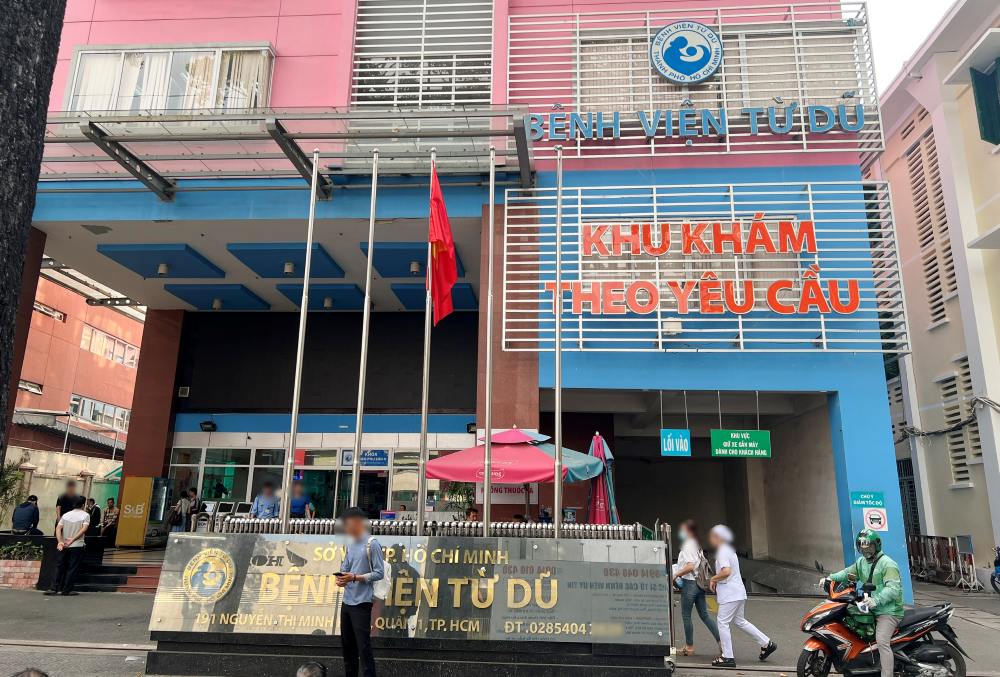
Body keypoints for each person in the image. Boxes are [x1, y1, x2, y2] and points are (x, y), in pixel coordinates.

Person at [825, 530, 903, 677]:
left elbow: (893, 589)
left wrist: (876, 600)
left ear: (877, 546)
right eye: (862, 547)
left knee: (881, 641)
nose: (866, 550)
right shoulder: (862, 562)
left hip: (889, 611)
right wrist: (830, 578)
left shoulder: (888, 564)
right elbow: (847, 573)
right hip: (870, 607)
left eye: (869, 547)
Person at [708, 524, 776, 668]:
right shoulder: (729, 550)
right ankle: (766, 643)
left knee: (722, 622)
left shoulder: (722, 552)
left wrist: (713, 579)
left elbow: (726, 571)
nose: (711, 539)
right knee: (740, 621)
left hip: (730, 594)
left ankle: (727, 657)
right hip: (738, 592)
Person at [336, 506, 384, 677]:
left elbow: (379, 573)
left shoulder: (373, 544)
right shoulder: (350, 544)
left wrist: (355, 577)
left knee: (363, 647)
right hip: (347, 602)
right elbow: (345, 567)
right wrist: (341, 579)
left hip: (362, 603)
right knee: (347, 647)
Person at [671, 520, 720, 656]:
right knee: (704, 615)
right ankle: (722, 643)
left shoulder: (687, 545)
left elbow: (690, 566)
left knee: (686, 616)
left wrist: (675, 575)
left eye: (683, 530)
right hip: (699, 584)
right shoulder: (696, 544)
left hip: (690, 584)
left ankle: (689, 646)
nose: (680, 533)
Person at [46, 496, 90, 596]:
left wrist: (60, 541)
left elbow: (58, 528)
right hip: (77, 545)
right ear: (83, 505)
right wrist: (73, 539)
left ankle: (53, 588)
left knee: (59, 566)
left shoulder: (66, 515)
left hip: (63, 545)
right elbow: (84, 529)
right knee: (72, 568)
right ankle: (67, 590)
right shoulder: (85, 515)